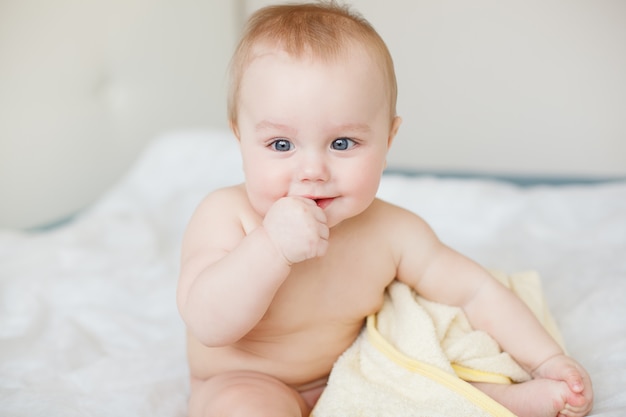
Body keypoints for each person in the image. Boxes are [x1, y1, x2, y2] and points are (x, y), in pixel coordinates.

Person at [176, 2, 594, 416]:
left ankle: (499, 399)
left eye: (342, 143)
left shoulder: (392, 231)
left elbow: (475, 292)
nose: (312, 171)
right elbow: (209, 324)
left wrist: (546, 359)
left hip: (360, 371)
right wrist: (270, 247)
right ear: (240, 138)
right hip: (246, 379)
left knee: (429, 364)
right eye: (281, 145)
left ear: (388, 140)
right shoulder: (226, 216)